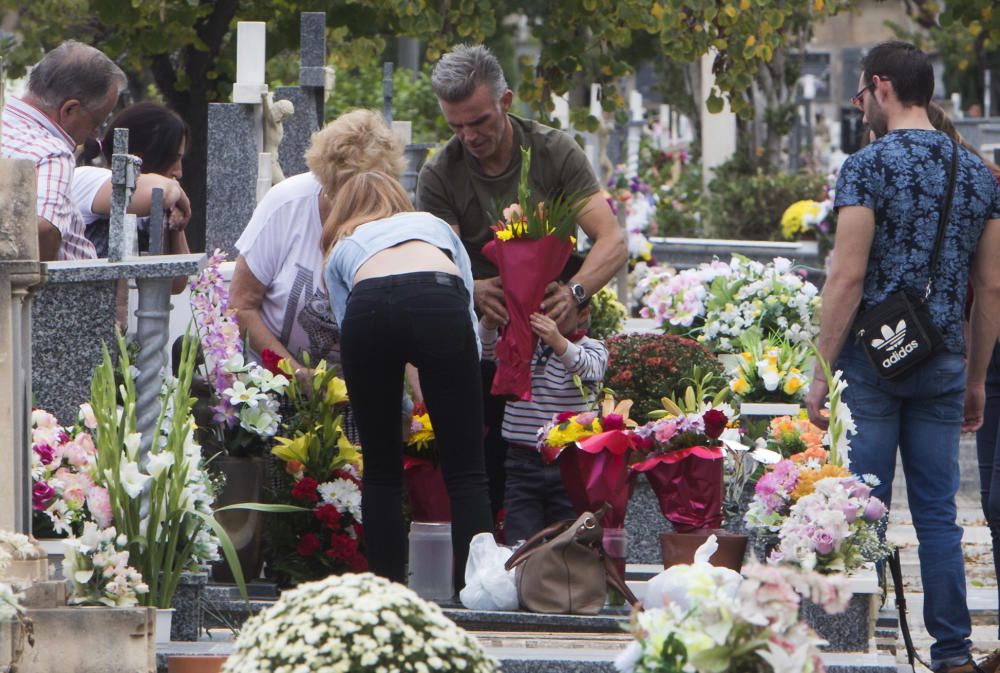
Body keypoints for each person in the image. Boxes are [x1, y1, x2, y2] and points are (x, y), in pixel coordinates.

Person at [804, 41, 1000, 673]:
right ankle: (952, 654)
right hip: (944, 359)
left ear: (882, 87)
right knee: (939, 516)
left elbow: (847, 277)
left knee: (860, 505)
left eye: (861, 93)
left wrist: (819, 367)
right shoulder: (975, 172)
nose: (860, 106)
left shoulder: (866, 166)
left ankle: (848, 642)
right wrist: (976, 378)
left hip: (871, 362)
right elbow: (993, 286)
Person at [417, 44, 627, 519]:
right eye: (456, 126)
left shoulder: (553, 151)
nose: (469, 136)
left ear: (506, 101)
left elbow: (612, 241)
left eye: (480, 121)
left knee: (568, 472)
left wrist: (575, 293)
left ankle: (567, 562)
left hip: (556, 339)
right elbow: (437, 260)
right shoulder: (440, 174)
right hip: (484, 346)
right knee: (487, 467)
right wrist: (472, 288)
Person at [322, 170, 492, 590]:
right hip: (439, 299)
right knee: (467, 471)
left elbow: (350, 331)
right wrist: (463, 376)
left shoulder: (344, 247)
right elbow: (465, 299)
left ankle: (388, 593)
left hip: (370, 307)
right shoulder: (433, 226)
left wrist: (397, 411)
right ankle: (476, 592)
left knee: (381, 472)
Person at [230, 109, 405, 375]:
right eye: (349, 197)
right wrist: (296, 375)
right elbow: (241, 305)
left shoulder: (394, 220)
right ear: (326, 184)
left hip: (359, 388)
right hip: (271, 381)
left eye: (371, 198)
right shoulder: (287, 204)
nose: (361, 210)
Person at [480, 257, 607, 544]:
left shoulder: (592, 348)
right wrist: (490, 321)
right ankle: (524, 582)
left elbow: (587, 368)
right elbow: (488, 353)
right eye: (540, 305)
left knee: (568, 539)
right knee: (521, 539)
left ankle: (565, 585)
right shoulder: (522, 344)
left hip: (570, 461)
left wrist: (556, 340)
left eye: (556, 309)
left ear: (583, 312)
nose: (546, 316)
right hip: (521, 459)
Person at [1, 40, 126, 261]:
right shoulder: (50, 153)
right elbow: (43, 229)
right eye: (96, 122)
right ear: (70, 109)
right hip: (55, 293)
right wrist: (41, 289)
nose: (95, 135)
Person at [73, 102, 192, 279]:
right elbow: (160, 192)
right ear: (142, 154)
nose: (178, 172)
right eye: (173, 158)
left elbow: (177, 280)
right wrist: (182, 198)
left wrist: (176, 223)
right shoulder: (88, 178)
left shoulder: (154, 200)